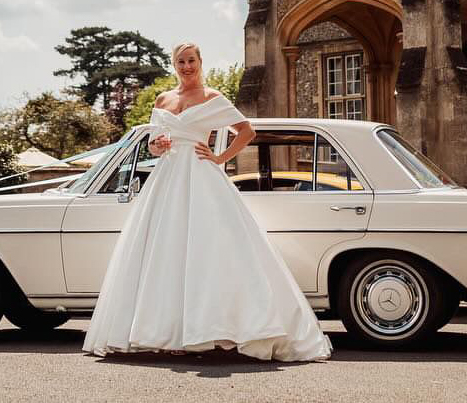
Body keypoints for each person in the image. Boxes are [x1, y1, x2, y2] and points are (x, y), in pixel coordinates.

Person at [82, 42, 332, 362]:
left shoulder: (213, 98)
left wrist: (219, 158)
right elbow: (155, 147)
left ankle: (219, 330)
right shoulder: (163, 99)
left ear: (200, 62)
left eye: (191, 60)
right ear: (174, 65)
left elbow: (246, 131)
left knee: (211, 249)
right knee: (166, 250)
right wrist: (159, 145)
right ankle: (166, 332)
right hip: (168, 177)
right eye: (180, 61)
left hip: (202, 176)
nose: (186, 66)